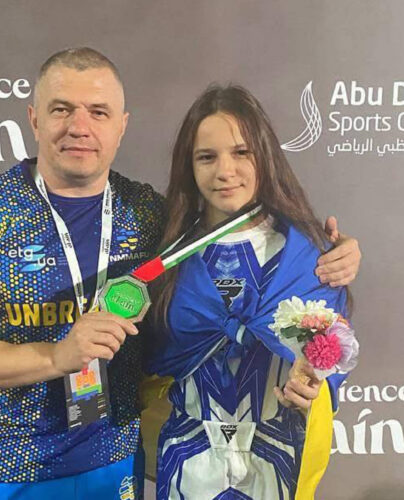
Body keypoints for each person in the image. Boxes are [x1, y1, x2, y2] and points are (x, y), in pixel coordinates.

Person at [0, 47, 359, 499]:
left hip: (119, 464)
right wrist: (55, 356)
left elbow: (236, 231)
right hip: (9, 469)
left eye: (98, 112)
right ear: (34, 118)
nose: (79, 126)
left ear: (121, 125)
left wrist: (336, 253)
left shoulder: (151, 216)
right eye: (61, 109)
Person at [146, 85, 356, 500]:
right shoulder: (164, 256)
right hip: (188, 456)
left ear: (265, 156)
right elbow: (145, 357)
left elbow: (333, 348)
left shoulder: (309, 257)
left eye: (242, 152)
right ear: (189, 166)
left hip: (275, 457)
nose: (225, 171)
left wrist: (313, 382)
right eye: (207, 157)